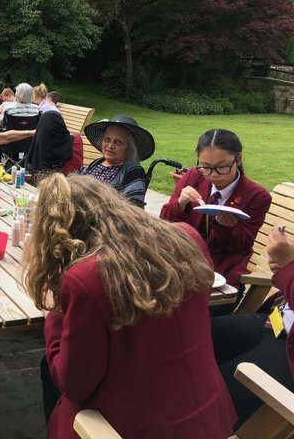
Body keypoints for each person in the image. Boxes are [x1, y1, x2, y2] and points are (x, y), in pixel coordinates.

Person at [24, 173, 236, 439]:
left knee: (52, 368)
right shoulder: (187, 238)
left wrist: (54, 314)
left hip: (128, 429)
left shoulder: (87, 278)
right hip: (209, 418)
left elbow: (74, 384)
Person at [160, 129, 271, 288]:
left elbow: (241, 246)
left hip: (222, 272)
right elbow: (165, 222)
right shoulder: (194, 176)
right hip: (180, 262)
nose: (213, 174)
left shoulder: (256, 196)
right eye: (205, 166)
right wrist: (180, 203)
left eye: (221, 167)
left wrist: (225, 228)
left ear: (238, 159)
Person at [211, 226, 294, 429]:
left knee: (211, 402)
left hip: (289, 353)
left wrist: (289, 268)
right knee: (195, 339)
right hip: (275, 321)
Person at [81, 115, 154, 208]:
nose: (110, 146)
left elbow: (134, 206)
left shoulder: (133, 171)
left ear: (129, 148)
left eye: (118, 142)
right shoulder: (96, 163)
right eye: (107, 140)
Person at [26, 110, 81, 176]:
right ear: (61, 124)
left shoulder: (39, 144)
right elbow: (76, 171)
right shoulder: (75, 141)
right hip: (69, 182)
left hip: (39, 182)